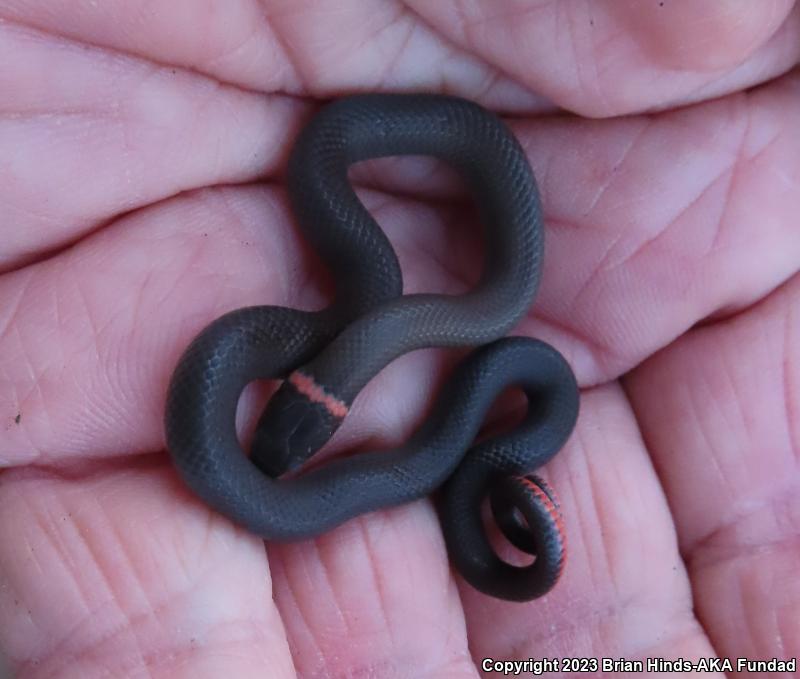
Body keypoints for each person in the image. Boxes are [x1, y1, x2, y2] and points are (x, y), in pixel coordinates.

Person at [0, 2, 798, 676]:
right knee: (379, 299)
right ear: (312, 393)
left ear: (300, 387)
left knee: (398, 303)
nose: (282, 457)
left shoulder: (423, 305)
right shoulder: (368, 302)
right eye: (297, 450)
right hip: (389, 309)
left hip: (422, 309)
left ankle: (468, 467)